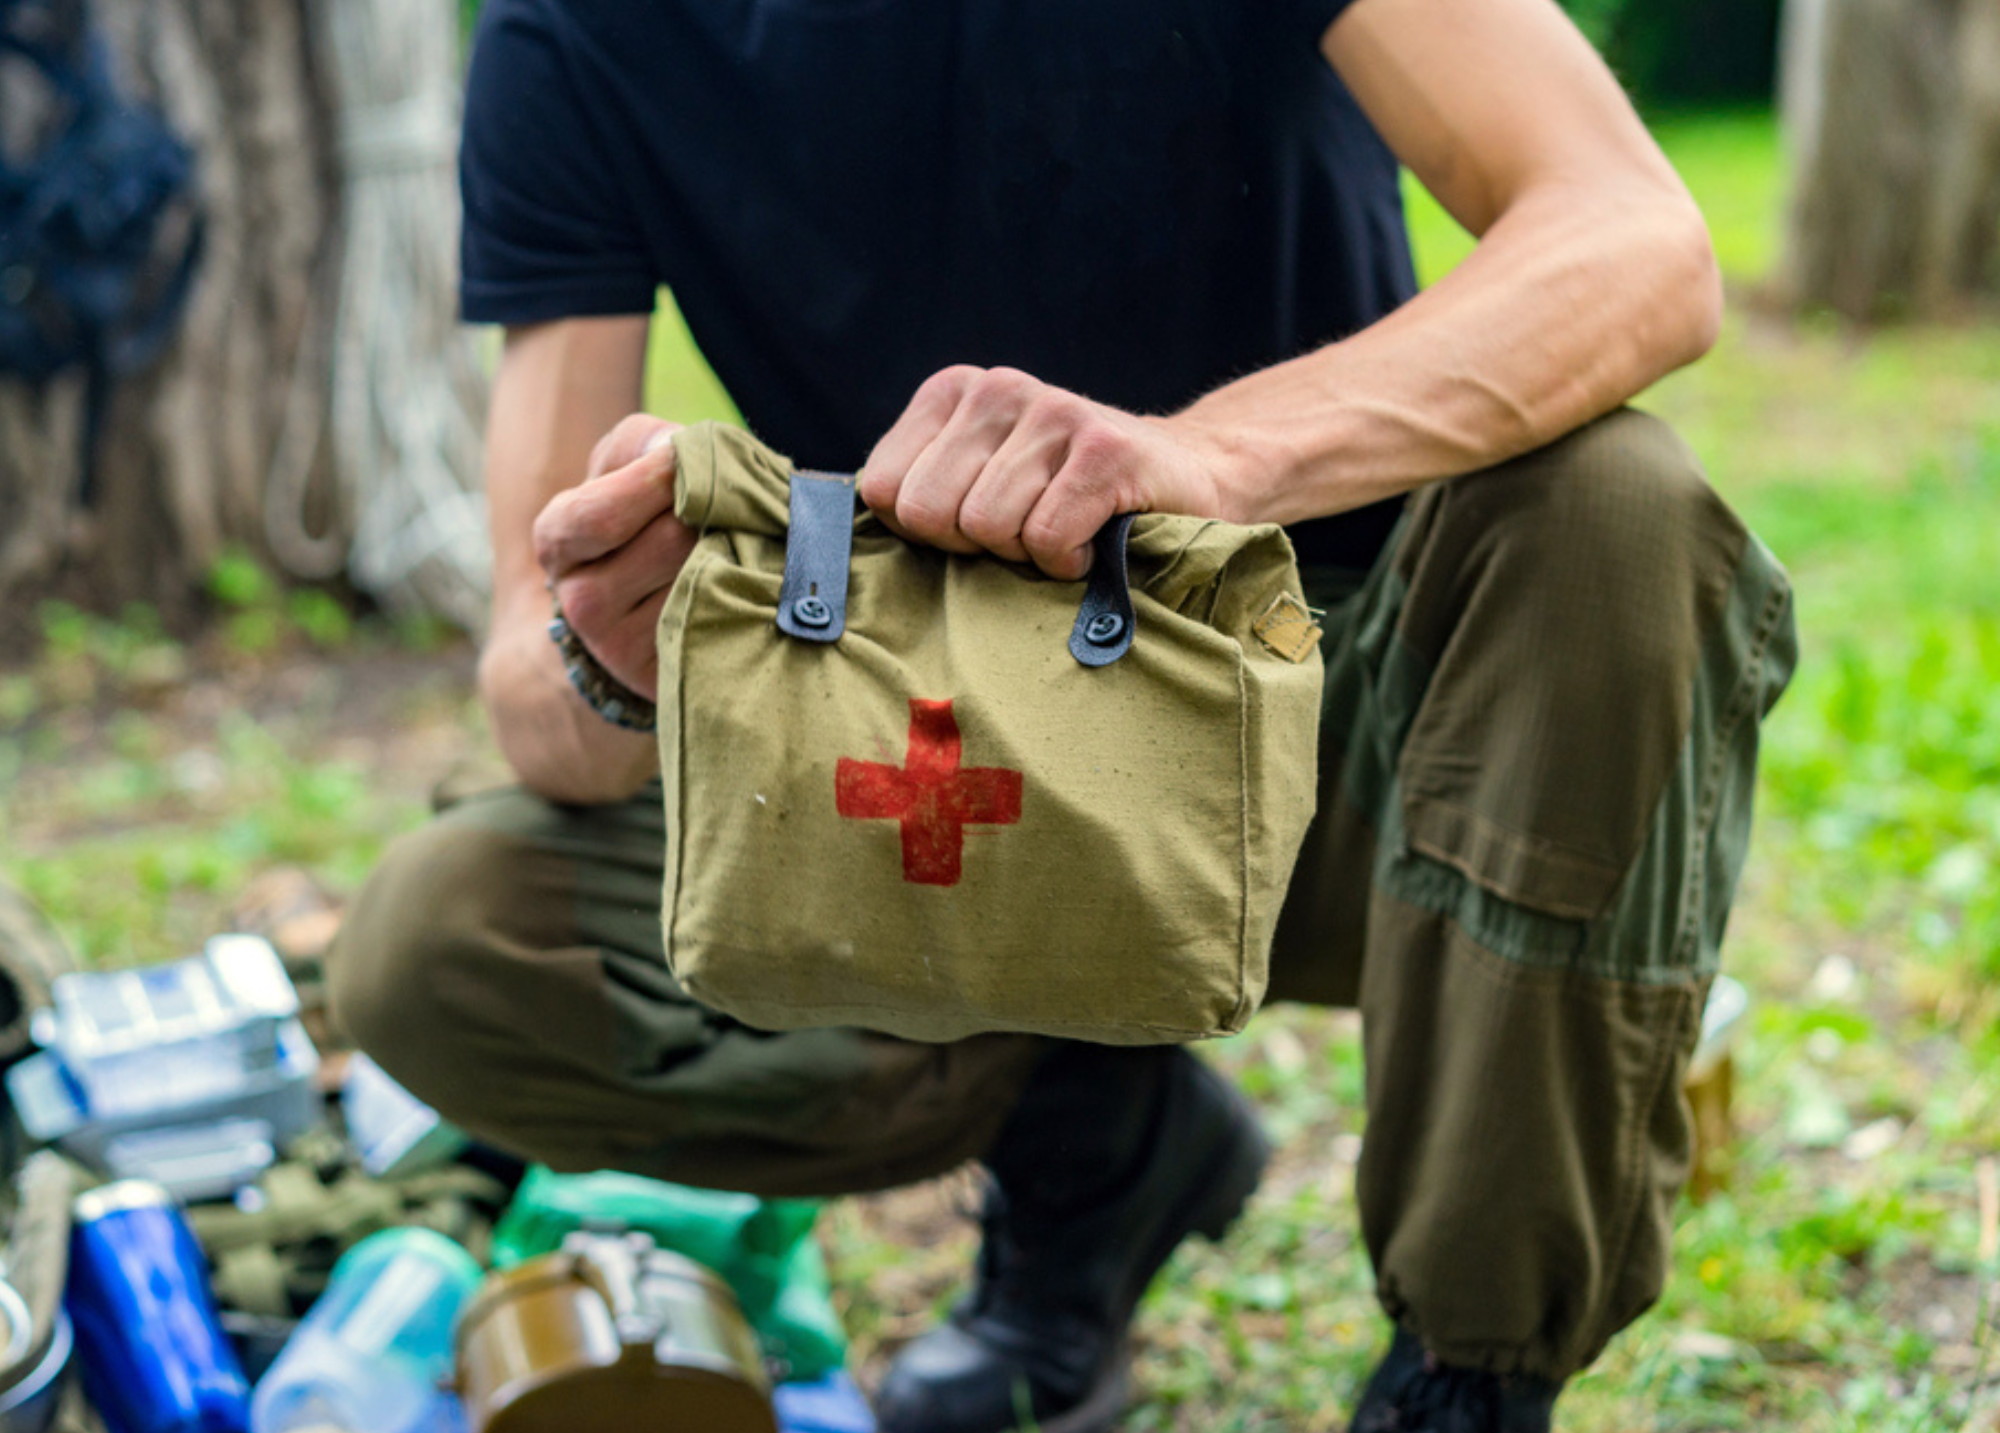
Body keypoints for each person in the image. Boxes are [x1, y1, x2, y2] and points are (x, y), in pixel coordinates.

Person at [327, 0, 1798, 1429]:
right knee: (451, 940)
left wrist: (1205, 462)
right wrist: (615, 654)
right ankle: (1096, 1149)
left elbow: (1635, 238)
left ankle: (1467, 1375)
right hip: (932, 764)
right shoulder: (578, 28)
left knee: (1616, 511)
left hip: (1349, 734)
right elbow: (532, 652)